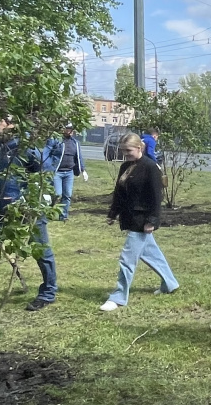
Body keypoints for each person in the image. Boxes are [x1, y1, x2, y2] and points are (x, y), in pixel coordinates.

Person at [0, 118, 57, 312]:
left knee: (40, 250)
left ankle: (48, 293)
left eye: (0, 122)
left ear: (13, 124)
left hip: (27, 208)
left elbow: (46, 174)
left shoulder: (27, 147)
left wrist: (35, 202)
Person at [101, 131, 180, 310]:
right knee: (151, 254)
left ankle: (119, 297)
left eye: (128, 150)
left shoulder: (150, 167)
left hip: (142, 220)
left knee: (127, 259)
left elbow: (156, 197)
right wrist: (112, 214)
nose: (125, 154)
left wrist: (152, 220)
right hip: (130, 218)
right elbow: (119, 194)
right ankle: (170, 283)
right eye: (123, 151)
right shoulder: (125, 167)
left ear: (139, 148)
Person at [42, 125, 84, 221]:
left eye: (72, 129)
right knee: (56, 193)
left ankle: (63, 216)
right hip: (57, 172)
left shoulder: (75, 143)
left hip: (69, 172)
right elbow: (46, 154)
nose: (70, 131)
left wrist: (82, 169)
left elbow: (79, 157)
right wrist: (46, 167)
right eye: (68, 129)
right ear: (63, 130)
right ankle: (48, 212)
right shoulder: (56, 141)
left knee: (67, 195)